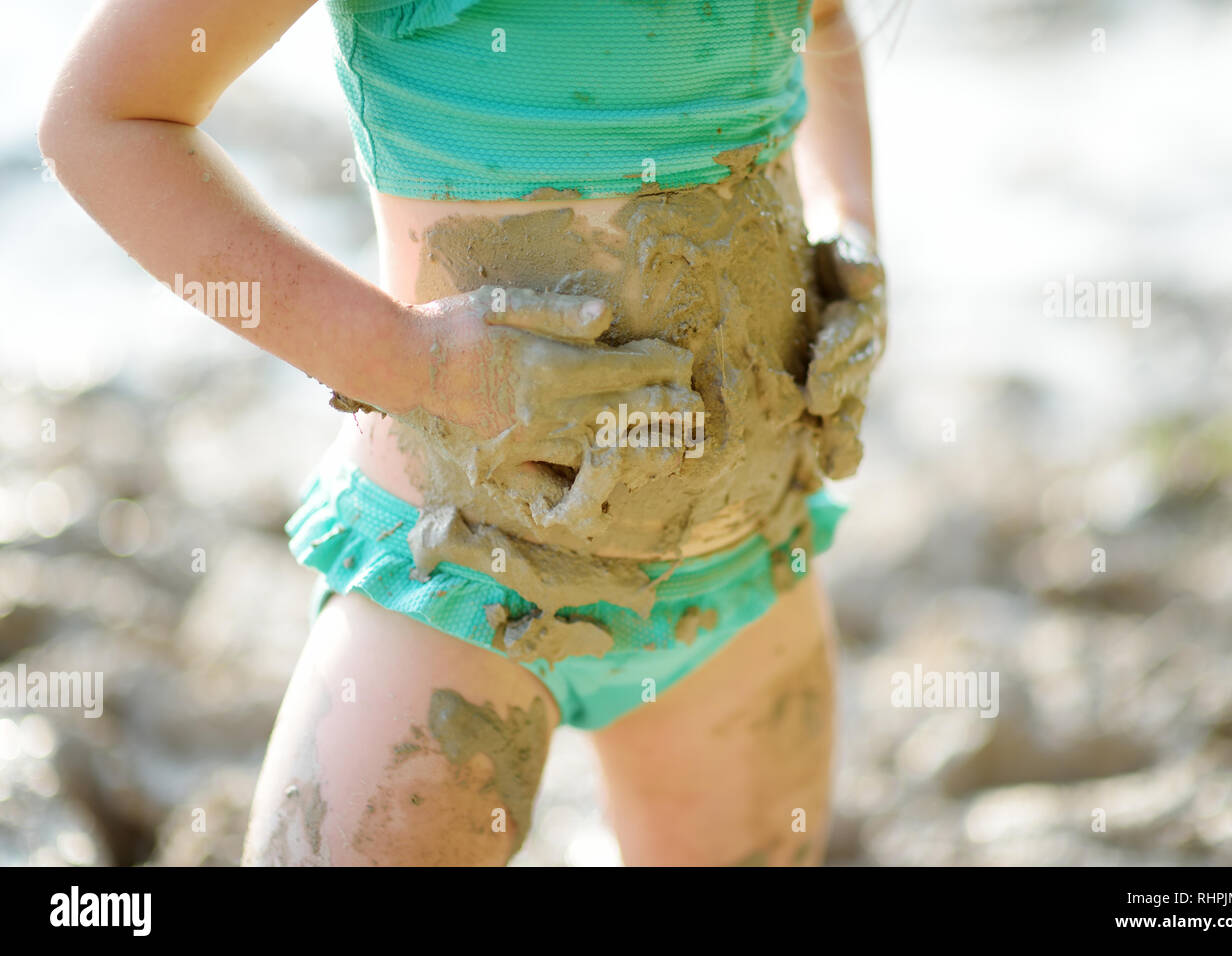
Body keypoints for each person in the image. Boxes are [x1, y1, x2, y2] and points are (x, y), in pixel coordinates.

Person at [39, 0, 886, 866]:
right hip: (458, 567)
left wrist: (849, 219)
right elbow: (105, 122)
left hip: (742, 565)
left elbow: (819, 21)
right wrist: (414, 363)